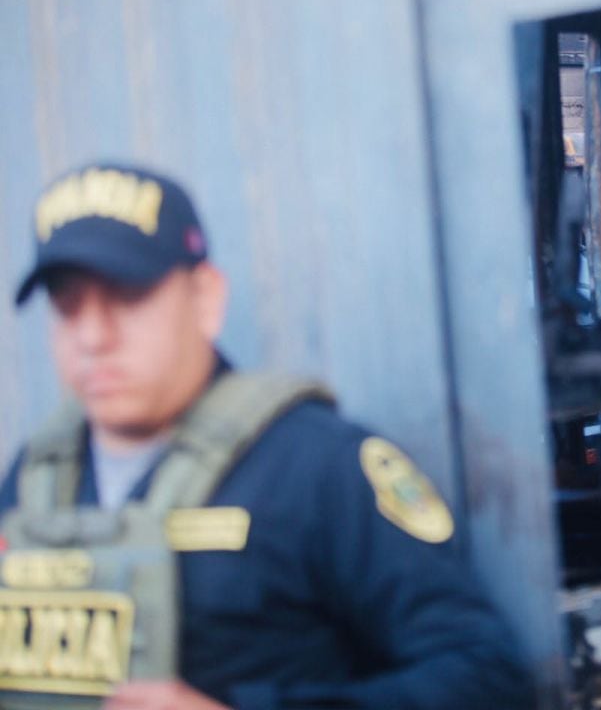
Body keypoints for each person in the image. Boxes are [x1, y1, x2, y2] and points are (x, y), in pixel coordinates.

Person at [0, 164, 535, 710]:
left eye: (127, 296)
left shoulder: (318, 466)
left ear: (205, 299)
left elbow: (487, 676)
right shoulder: (34, 478)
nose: (93, 337)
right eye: (67, 306)